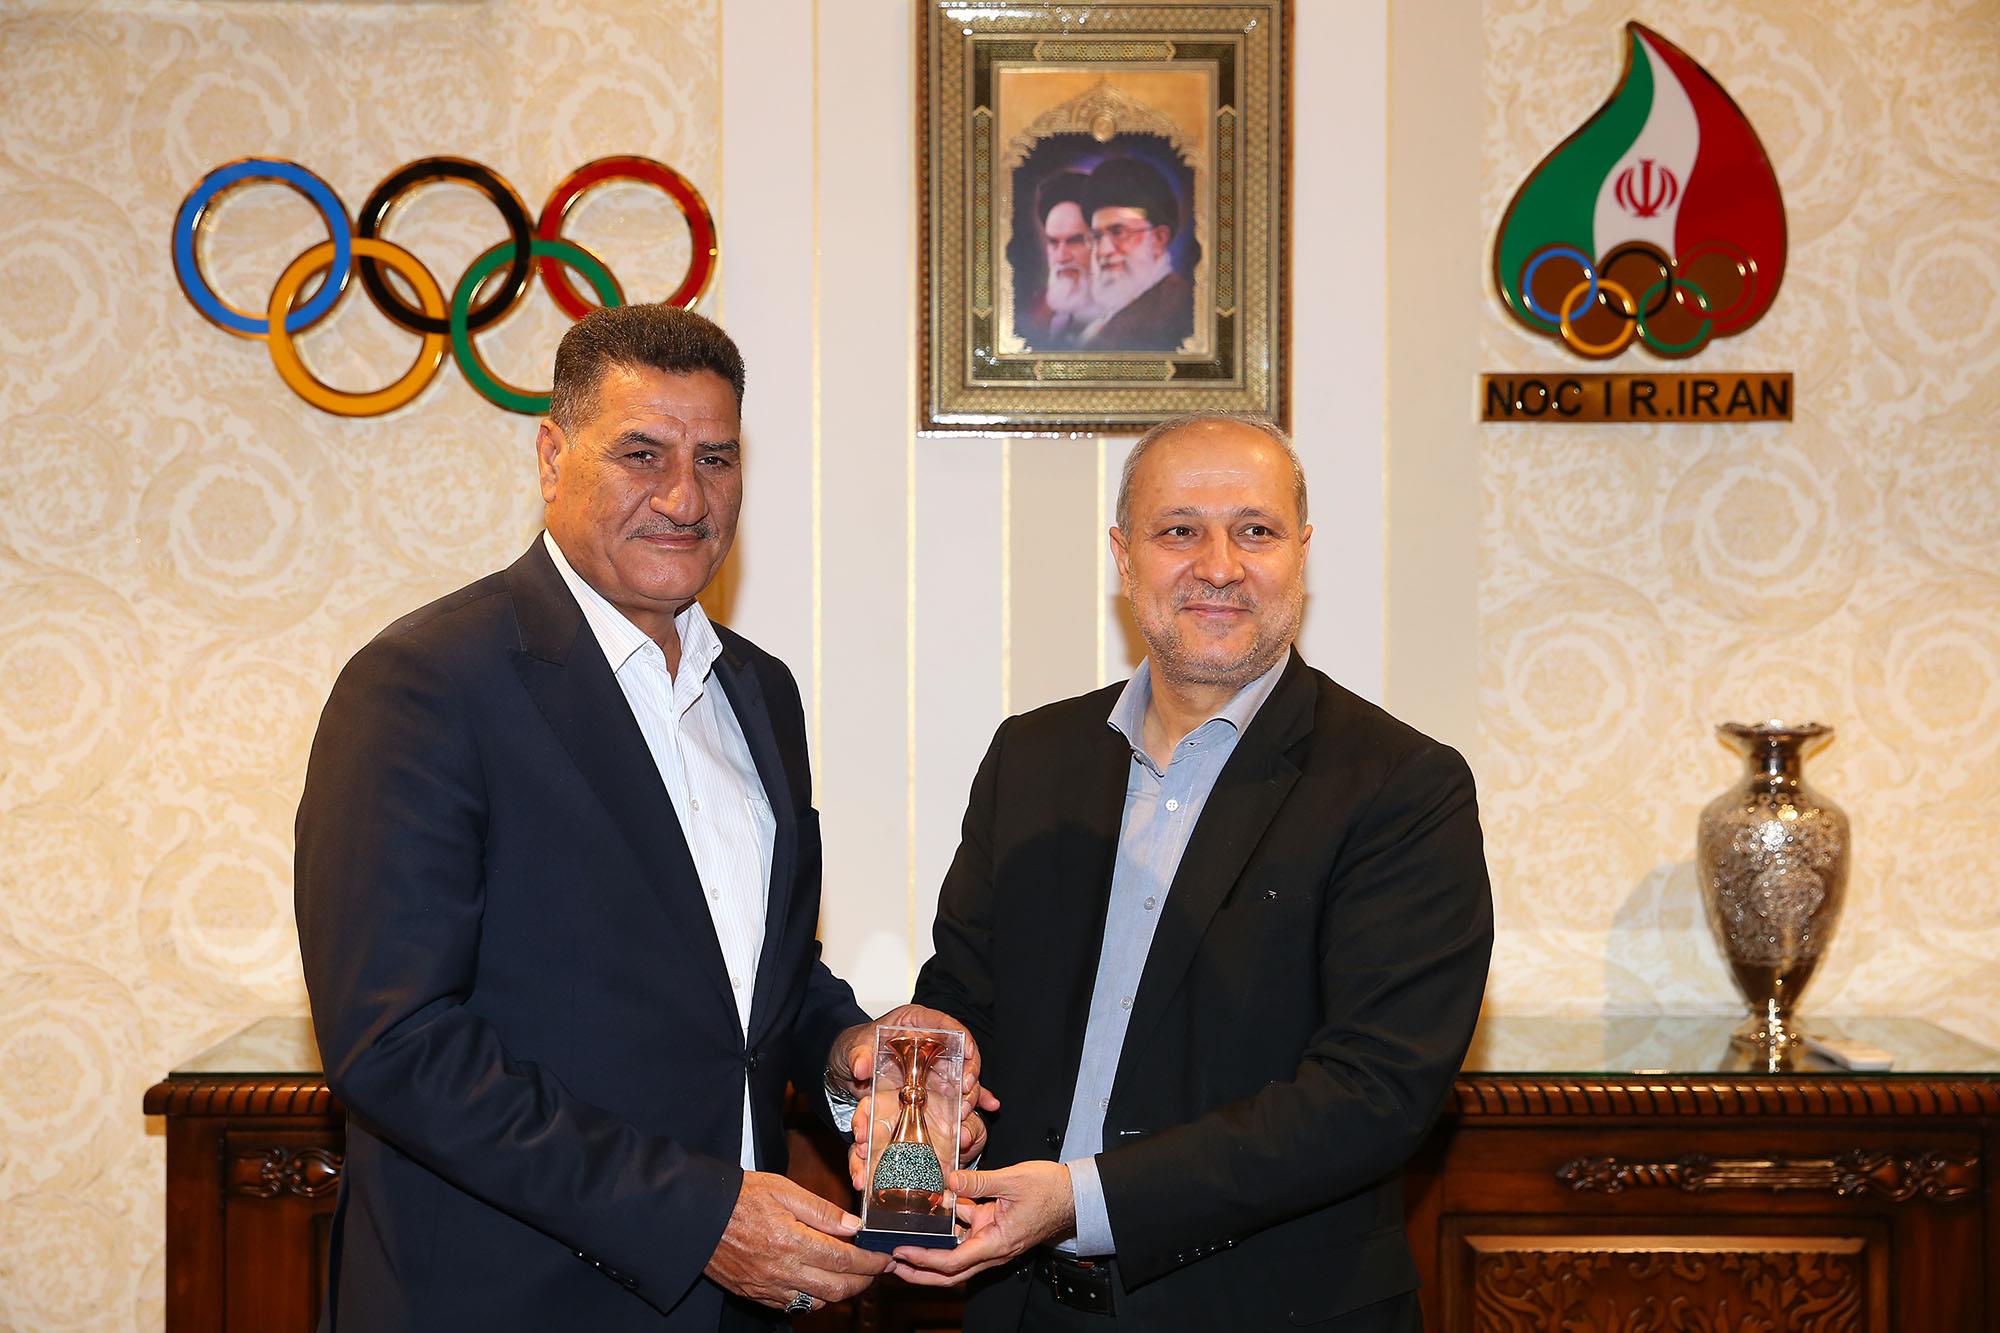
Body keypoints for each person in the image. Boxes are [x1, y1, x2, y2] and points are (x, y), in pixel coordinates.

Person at [295, 303, 986, 1332]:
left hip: (741, 1305)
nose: (683, 496)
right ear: (551, 457)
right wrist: (695, 1216)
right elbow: (396, 1043)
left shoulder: (759, 690)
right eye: (641, 454)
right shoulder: (423, 684)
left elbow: (751, 977)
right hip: (505, 1302)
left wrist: (850, 1050)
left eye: (715, 458)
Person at [879, 414, 1494, 1329]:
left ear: (1301, 553)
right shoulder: (1031, 757)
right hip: (1021, 1306)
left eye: (1255, 530)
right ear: (1124, 558)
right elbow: (964, 1003)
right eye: (1179, 530)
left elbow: (1374, 1094)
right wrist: (918, 1104)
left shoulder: (1401, 785)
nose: (1219, 565)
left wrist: (1083, 1200)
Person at [1074, 157, 1196, 353]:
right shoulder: (1111, 315)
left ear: (1158, 238)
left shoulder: (1179, 310)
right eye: (1097, 236)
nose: (1103, 250)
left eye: (1118, 232)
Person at [1016, 171, 1098, 351]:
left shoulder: (1134, 316)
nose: (1061, 257)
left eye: (1075, 241)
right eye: (1053, 242)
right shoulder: (1035, 312)